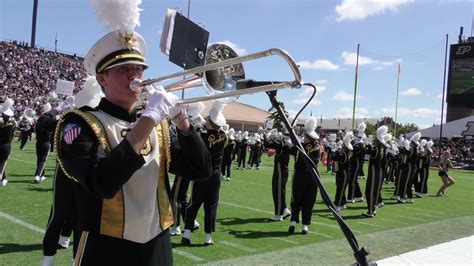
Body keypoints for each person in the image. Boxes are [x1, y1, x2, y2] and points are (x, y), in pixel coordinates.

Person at [55, 30, 211, 265]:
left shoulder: (156, 124)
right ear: (102, 79)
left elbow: (200, 170)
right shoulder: (80, 122)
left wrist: (182, 122)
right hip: (106, 246)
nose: (134, 75)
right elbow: (102, 182)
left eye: (138, 69)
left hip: (156, 240)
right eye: (123, 69)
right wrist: (149, 119)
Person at [182, 101, 228, 246]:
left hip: (201, 174)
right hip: (215, 175)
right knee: (211, 205)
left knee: (194, 203)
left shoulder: (202, 135)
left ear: (210, 122)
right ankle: (208, 237)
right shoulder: (224, 136)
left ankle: (187, 234)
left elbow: (192, 138)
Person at [288, 117, 320, 234]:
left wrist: (297, 145)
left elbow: (310, 159)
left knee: (309, 201)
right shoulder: (301, 146)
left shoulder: (315, 148)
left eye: (306, 137)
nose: (304, 138)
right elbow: (290, 149)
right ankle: (293, 222)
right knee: (296, 199)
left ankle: (305, 224)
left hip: (311, 178)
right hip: (299, 176)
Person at [264, 129, 292, 221]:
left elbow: (267, 144)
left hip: (280, 170)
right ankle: (285, 209)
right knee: (280, 191)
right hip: (282, 169)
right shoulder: (287, 144)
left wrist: (267, 135)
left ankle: (279, 214)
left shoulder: (281, 144)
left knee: (278, 192)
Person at [363, 126, 390, 218]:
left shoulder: (375, 149)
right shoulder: (382, 149)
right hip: (379, 172)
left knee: (369, 192)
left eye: (374, 139)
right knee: (373, 192)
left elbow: (366, 151)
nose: (373, 140)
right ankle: (372, 210)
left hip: (374, 173)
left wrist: (365, 143)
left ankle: (370, 211)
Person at [34, 103, 58, 183]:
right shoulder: (52, 120)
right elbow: (54, 133)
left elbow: (35, 129)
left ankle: (42, 175)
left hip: (38, 141)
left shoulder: (40, 118)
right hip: (46, 142)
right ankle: (37, 175)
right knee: (42, 161)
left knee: (39, 159)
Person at [0, 98, 16, 187]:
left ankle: (4, 179)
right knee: (2, 163)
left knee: (1, 163)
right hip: (6, 146)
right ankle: (2, 178)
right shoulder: (12, 124)